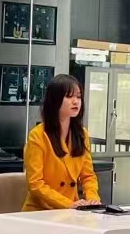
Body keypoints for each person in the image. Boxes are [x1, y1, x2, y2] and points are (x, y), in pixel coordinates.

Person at [22, 74, 99, 210]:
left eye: (78, 97)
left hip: (72, 210)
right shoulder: (38, 135)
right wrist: (67, 204)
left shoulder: (81, 134)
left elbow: (88, 175)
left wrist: (92, 198)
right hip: (41, 211)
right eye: (69, 97)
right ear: (55, 101)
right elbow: (35, 183)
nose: (76, 102)